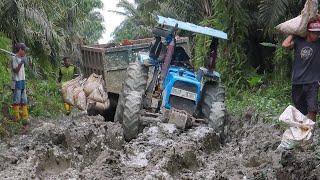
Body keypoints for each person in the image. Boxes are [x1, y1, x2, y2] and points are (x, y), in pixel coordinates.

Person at [282, 19, 320, 121]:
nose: (316, 35)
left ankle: (310, 132)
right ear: (307, 32)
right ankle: (302, 132)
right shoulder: (299, 42)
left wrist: (316, 17)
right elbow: (285, 44)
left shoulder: (318, 43)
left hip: (313, 82)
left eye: (318, 33)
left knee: (312, 108)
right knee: (300, 110)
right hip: (298, 81)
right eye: (313, 32)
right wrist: (295, 33)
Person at [11, 43, 29, 122]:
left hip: (22, 81)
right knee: (17, 101)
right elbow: (16, 71)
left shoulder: (21, 58)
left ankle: (25, 118)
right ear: (20, 50)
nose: (25, 52)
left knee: (24, 100)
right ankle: (17, 119)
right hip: (16, 82)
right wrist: (20, 63)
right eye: (24, 50)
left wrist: (22, 61)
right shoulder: (14, 58)